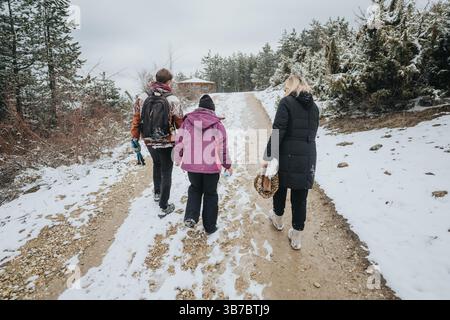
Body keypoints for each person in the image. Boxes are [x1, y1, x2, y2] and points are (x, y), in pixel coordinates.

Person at [263, 74, 320, 250]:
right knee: (300, 195)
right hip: (308, 156)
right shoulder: (315, 107)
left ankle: (278, 219)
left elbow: (278, 130)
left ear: (290, 86)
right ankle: (296, 236)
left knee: (280, 187)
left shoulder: (286, 102)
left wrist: (268, 157)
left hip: (286, 154)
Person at [174, 95, 232, 235]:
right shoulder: (218, 125)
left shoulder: (187, 122)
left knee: (195, 189)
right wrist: (227, 164)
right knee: (210, 194)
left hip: (192, 166)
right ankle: (210, 226)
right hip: (212, 168)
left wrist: (178, 158)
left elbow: (179, 142)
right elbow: (223, 148)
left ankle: (191, 216)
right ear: (212, 110)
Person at [131, 69, 183, 218]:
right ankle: (164, 205)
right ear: (168, 82)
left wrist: (134, 137)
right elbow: (180, 123)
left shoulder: (142, 97)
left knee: (157, 163)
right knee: (166, 170)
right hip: (166, 139)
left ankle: (157, 193)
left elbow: (136, 118)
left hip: (147, 139)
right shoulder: (173, 99)